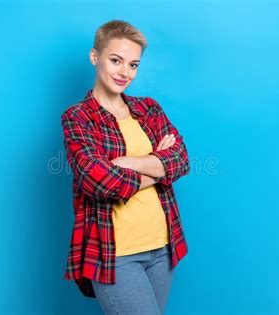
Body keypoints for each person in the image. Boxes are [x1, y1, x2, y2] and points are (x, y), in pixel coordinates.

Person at [61, 19, 190, 314]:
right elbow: (99, 182)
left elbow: (181, 160)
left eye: (133, 65)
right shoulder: (78, 118)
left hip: (162, 247)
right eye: (116, 60)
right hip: (114, 254)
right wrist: (157, 168)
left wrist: (126, 163)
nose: (124, 72)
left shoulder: (149, 109)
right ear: (95, 57)